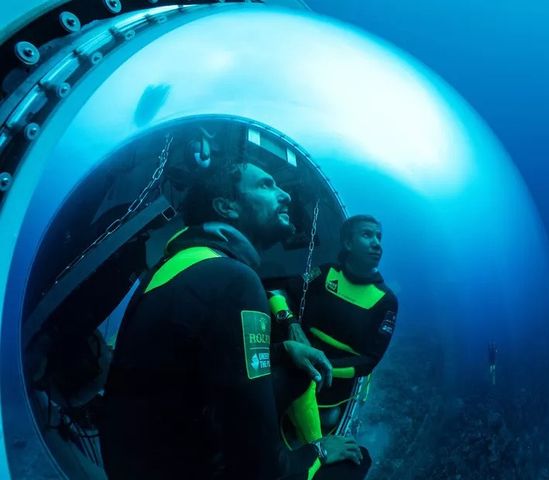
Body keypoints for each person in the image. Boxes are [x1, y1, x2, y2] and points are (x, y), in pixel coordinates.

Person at [99, 136, 370, 479]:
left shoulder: (177, 266)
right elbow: (261, 472)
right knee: (355, 462)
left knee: (296, 369)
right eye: (266, 184)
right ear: (227, 207)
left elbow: (191, 358)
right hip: (183, 468)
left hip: (134, 463)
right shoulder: (235, 279)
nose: (285, 194)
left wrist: (281, 350)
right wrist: (317, 451)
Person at [266, 215, 399, 444]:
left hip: (331, 381)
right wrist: (291, 323)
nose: (377, 243)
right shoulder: (325, 273)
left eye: (379, 237)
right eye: (367, 235)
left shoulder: (386, 301)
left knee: (329, 418)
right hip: (295, 356)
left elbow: (369, 361)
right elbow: (278, 293)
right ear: (348, 243)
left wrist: (320, 367)